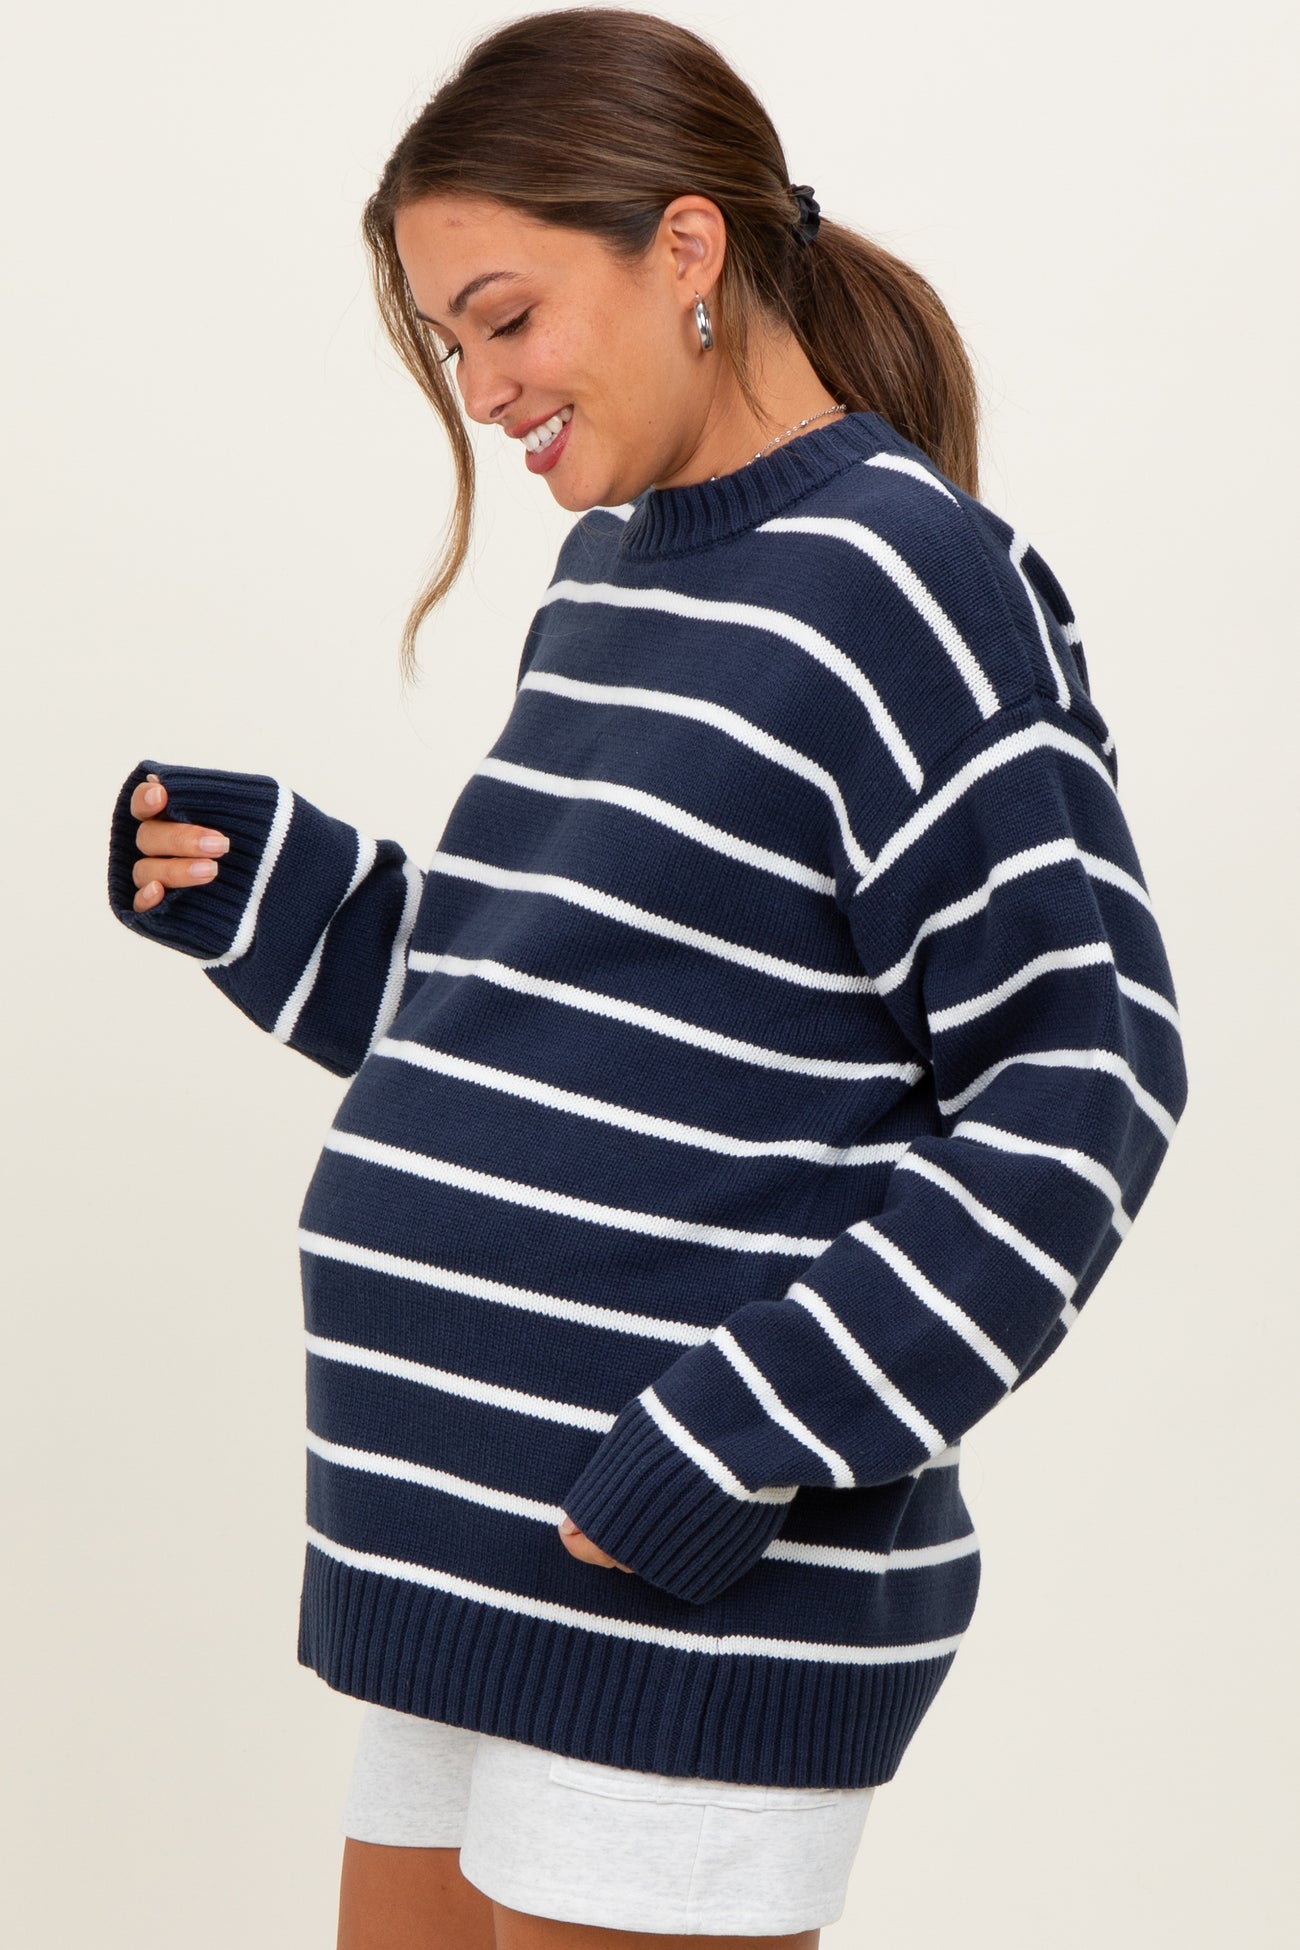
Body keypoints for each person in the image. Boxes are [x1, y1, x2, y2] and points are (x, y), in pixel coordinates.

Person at [104, 9, 1189, 1946]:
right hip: (457, 1569)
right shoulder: (615, 577)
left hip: (672, 1603)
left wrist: (729, 1440)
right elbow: (559, 1023)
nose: (481, 390)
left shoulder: (899, 581)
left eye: (503, 318)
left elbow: (1079, 1084)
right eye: (449, 345)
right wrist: (292, 903)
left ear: (686, 246)